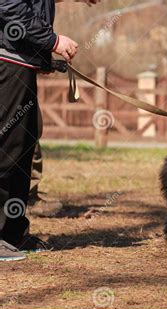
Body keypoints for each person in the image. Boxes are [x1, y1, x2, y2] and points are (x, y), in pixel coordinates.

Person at [0, 0, 99, 262]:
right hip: (7, 60)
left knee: (23, 148)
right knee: (6, 149)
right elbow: (9, 6)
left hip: (21, 62)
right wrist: (53, 41)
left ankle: (12, 234)